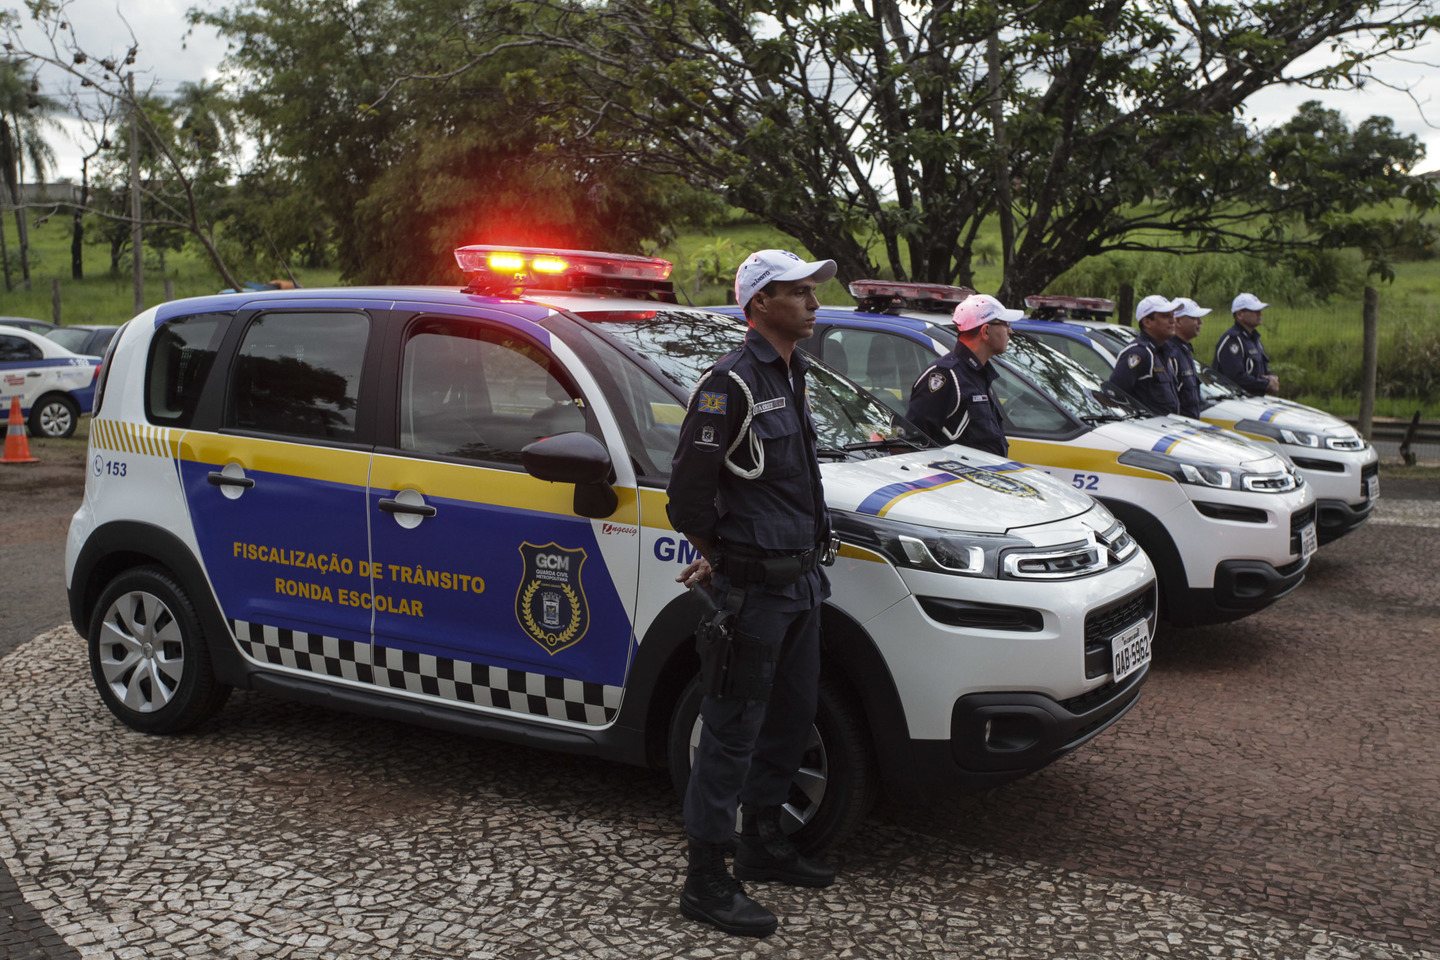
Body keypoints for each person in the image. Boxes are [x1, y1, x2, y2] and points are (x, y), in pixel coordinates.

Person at [665, 249, 838, 938]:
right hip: (754, 594)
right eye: (798, 293)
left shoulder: (791, 376)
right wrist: (723, 557)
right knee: (730, 736)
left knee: (791, 721)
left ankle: (762, 844)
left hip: (800, 586)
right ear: (761, 303)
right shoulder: (728, 384)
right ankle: (706, 880)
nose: (814, 304)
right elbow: (687, 498)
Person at [903, 293, 1020, 456]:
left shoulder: (979, 373)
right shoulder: (946, 375)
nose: (1011, 331)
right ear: (985, 331)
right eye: (1005, 324)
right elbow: (913, 442)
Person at [1107, 294, 1181, 417]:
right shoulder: (1138, 353)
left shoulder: (1163, 352)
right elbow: (1115, 396)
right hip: (1149, 431)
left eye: (1172, 315)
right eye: (1165, 316)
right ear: (1147, 322)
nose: (1172, 321)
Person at [1214, 293, 1279, 396]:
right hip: (1236, 403)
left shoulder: (1254, 339)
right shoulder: (1232, 341)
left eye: (1260, 310)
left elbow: (1262, 372)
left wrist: (1272, 378)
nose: (1260, 313)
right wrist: (1266, 384)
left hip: (1254, 400)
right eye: (1254, 310)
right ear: (1240, 314)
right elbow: (1235, 378)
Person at [1167, 297, 1210, 419]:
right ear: (1178, 321)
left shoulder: (1184, 350)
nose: (1200, 322)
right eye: (1195, 318)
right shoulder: (1172, 353)